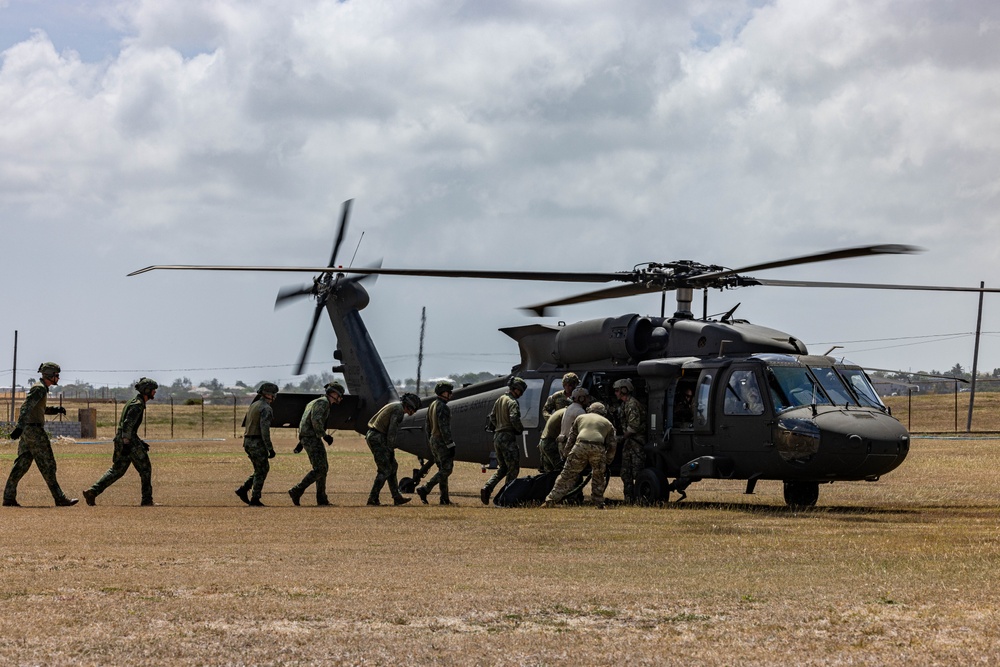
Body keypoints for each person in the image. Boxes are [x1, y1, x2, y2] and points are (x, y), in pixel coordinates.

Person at [3, 362, 77, 507]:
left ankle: (8, 497)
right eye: (56, 375)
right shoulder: (39, 388)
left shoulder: (41, 388)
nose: (58, 378)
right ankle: (60, 498)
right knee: (48, 464)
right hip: (34, 431)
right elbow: (27, 406)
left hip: (28, 430)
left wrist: (56, 409)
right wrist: (19, 426)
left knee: (21, 465)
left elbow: (38, 408)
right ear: (50, 375)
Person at [83, 377, 159, 506]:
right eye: (153, 390)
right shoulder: (138, 405)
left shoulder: (133, 401)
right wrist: (127, 443)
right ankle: (147, 500)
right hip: (127, 440)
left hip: (124, 438)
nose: (154, 392)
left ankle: (93, 491)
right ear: (146, 390)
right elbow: (128, 424)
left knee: (117, 470)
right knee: (145, 468)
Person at [543, 402, 617, 509]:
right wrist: (608, 460)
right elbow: (612, 445)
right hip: (598, 447)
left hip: (580, 445)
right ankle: (599, 503)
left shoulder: (580, 418)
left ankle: (550, 500)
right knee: (598, 477)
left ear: (589, 410)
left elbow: (571, 438)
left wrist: (566, 454)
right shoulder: (608, 424)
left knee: (567, 475)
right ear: (603, 413)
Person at [288, 382, 343, 506]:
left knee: (323, 468)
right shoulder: (322, 403)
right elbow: (315, 420)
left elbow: (305, 422)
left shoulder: (316, 402)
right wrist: (325, 436)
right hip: (312, 438)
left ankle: (321, 499)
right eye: (340, 395)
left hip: (310, 437)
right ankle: (297, 490)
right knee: (320, 468)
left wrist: (301, 443)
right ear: (334, 394)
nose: (341, 398)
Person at [365, 393, 420, 506]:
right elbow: (392, 431)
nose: (413, 412)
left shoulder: (395, 406)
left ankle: (396, 497)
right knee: (385, 469)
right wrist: (391, 448)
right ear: (409, 406)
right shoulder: (399, 411)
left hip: (375, 435)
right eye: (414, 409)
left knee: (393, 466)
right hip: (378, 437)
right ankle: (372, 498)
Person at [480, 377, 526, 505]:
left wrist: (498, 427)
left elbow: (492, 417)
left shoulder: (500, 399)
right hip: (507, 438)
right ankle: (507, 497)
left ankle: (488, 487)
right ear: (516, 389)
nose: (521, 394)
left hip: (497, 437)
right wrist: (519, 429)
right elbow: (514, 418)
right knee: (513, 468)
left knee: (503, 468)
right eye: (521, 391)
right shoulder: (512, 402)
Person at [235, 382, 279, 507]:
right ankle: (255, 498)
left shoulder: (254, 405)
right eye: (274, 394)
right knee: (262, 470)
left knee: (260, 469)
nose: (275, 396)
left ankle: (243, 489)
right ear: (268, 394)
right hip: (257, 442)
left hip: (248, 441)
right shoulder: (265, 408)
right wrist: (270, 448)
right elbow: (264, 430)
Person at [417, 382, 456, 505]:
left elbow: (427, 426)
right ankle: (425, 488)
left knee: (442, 469)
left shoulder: (432, 405)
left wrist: (430, 441)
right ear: (444, 393)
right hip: (441, 440)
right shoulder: (443, 407)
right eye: (449, 392)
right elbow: (444, 428)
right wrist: (450, 444)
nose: (450, 394)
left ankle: (444, 499)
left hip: (433, 439)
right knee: (447, 469)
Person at [613, 378, 647, 503]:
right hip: (629, 442)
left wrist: (621, 438)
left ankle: (640, 497)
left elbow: (633, 427)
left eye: (617, 390)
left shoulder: (632, 405)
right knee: (625, 472)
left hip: (637, 443)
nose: (615, 393)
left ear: (623, 390)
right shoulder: (624, 405)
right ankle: (628, 498)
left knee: (637, 471)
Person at [558, 387, 590, 459]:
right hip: (570, 444)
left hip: (562, 442)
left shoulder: (569, 408)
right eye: (587, 397)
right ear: (581, 398)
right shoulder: (580, 411)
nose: (588, 399)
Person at [537, 406, 566, 473]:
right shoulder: (566, 413)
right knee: (560, 470)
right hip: (550, 443)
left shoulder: (559, 412)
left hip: (543, 441)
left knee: (548, 473)